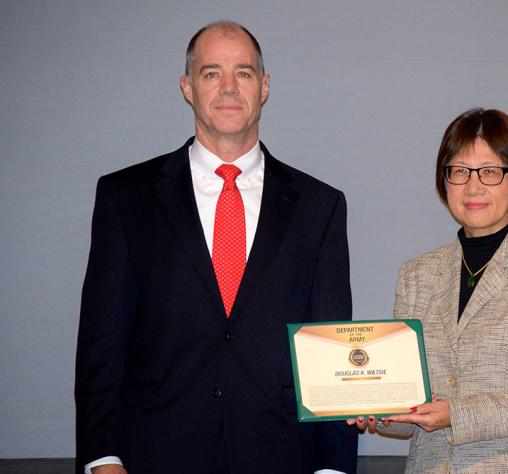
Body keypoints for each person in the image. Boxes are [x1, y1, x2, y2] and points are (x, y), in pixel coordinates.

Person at [75, 20, 357, 474]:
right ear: (188, 87)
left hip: (282, 456)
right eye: (211, 73)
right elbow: (101, 344)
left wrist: (333, 467)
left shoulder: (320, 206)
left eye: (243, 73)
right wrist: (102, 458)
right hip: (153, 456)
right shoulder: (125, 197)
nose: (229, 87)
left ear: (264, 87)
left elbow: (331, 348)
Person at [348, 108, 508, 472]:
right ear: (444, 181)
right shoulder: (417, 274)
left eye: (490, 172)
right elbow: (409, 392)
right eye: (459, 171)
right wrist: (379, 409)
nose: (473, 187)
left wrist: (456, 415)